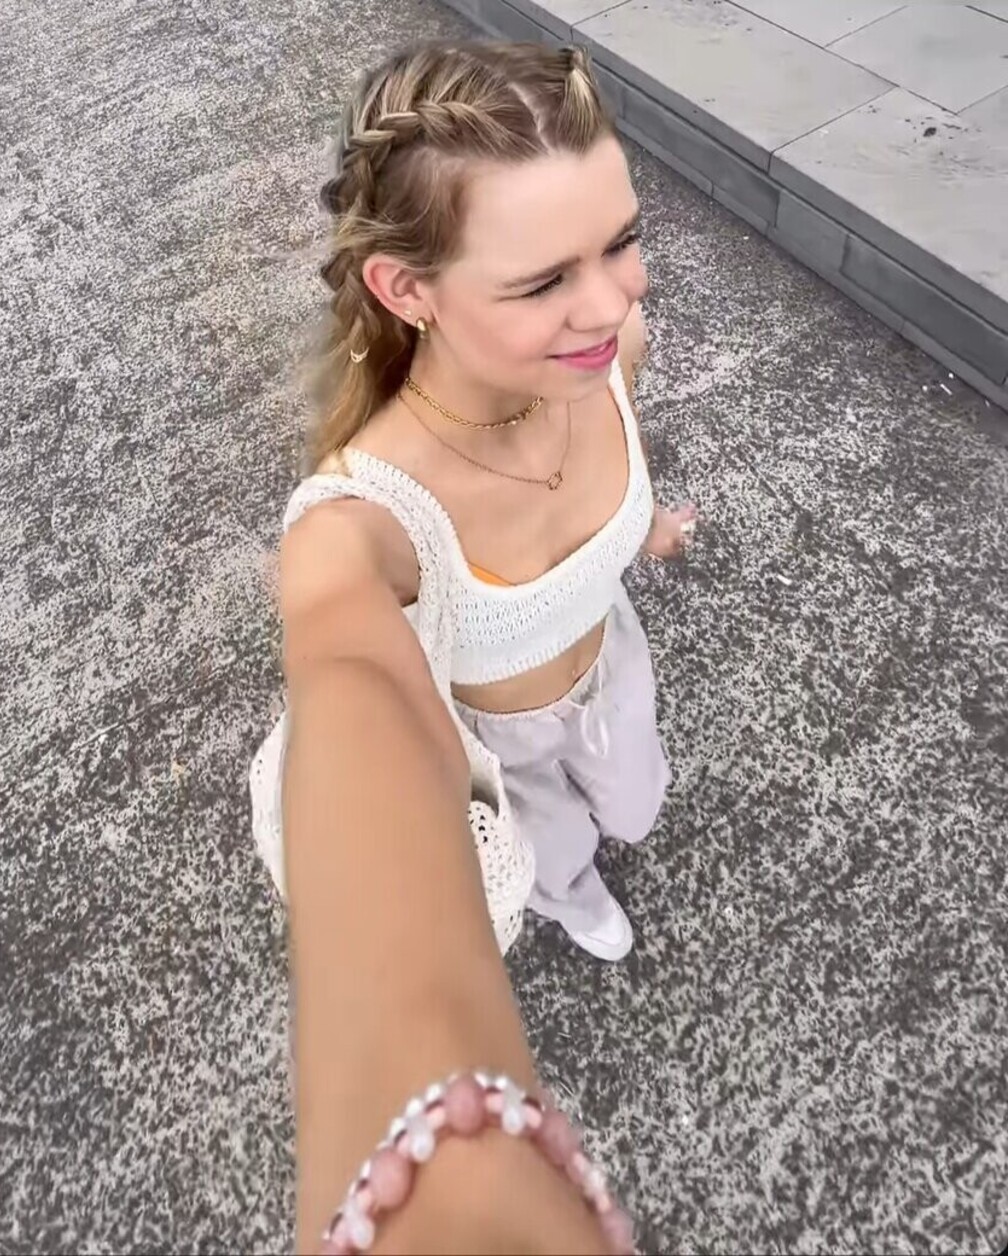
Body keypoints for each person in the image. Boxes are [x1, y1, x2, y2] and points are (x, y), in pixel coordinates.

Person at [251, 38, 693, 1251]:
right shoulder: (361, 522)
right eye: (544, 277)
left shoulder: (608, 355)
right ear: (407, 290)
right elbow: (349, 687)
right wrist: (437, 1165)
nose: (610, 300)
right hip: (500, 738)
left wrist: (641, 523)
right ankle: (570, 891)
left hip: (613, 662)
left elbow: (617, 457)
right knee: (562, 853)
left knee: (638, 796)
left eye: (620, 240)